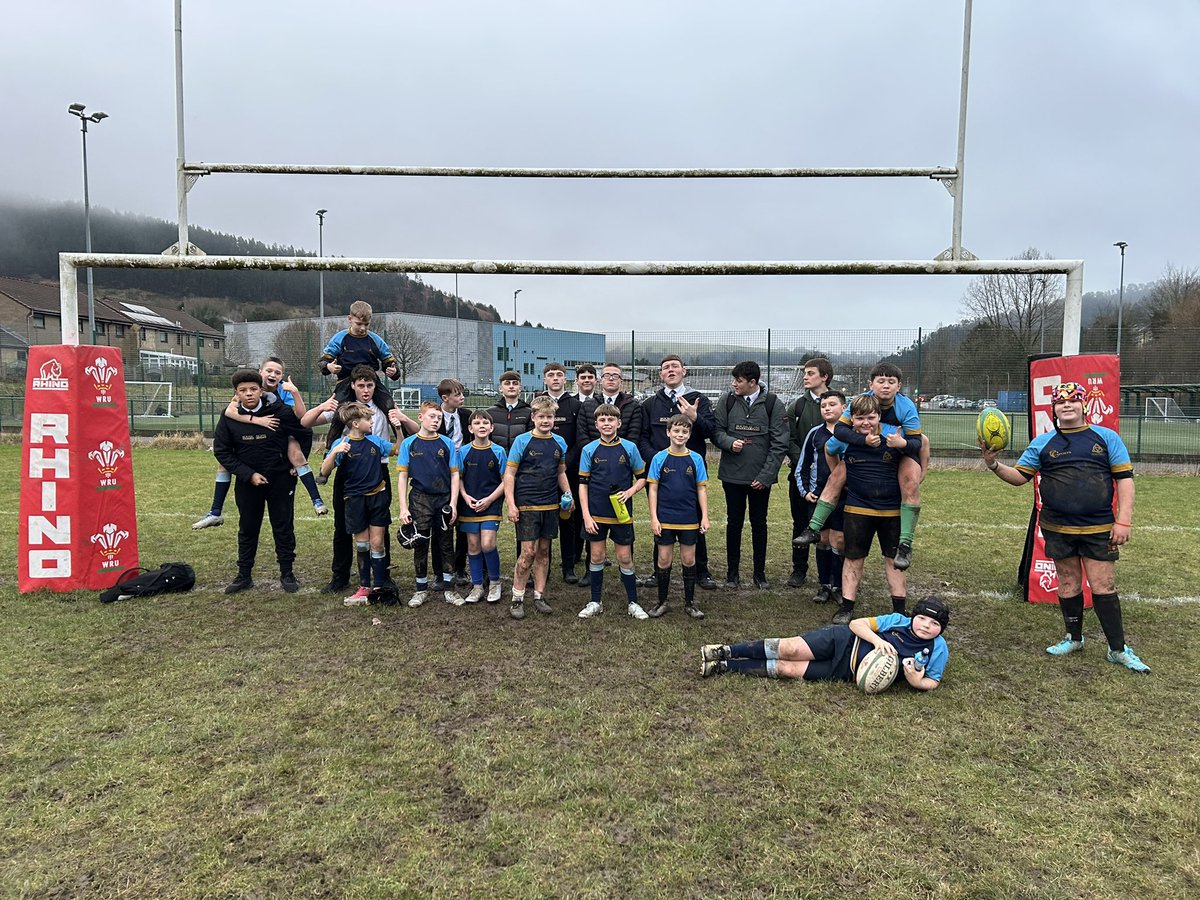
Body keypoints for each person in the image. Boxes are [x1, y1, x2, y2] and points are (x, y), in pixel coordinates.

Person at [981, 381, 1149, 673]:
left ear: (1083, 405)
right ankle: (1074, 638)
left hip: (1099, 527)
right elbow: (1020, 477)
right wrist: (994, 464)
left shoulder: (1106, 438)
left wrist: (1124, 520)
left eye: (1073, 400)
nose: (1066, 405)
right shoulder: (1042, 443)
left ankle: (1118, 649)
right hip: (1058, 527)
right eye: (1060, 402)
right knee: (1068, 583)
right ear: (1054, 409)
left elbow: (1125, 480)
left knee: (1103, 585)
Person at [800, 363, 927, 571]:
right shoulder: (861, 402)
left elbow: (917, 443)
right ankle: (813, 528)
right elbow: (839, 432)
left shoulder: (906, 406)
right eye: (881, 381)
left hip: (895, 447)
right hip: (862, 448)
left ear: (899, 386)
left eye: (891, 382)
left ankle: (905, 544)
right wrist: (863, 442)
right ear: (871, 384)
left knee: (912, 480)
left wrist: (902, 444)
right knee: (836, 477)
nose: (885, 386)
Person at [301, 365, 415, 593]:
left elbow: (411, 432)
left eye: (370, 385)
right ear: (352, 386)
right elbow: (306, 422)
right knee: (343, 526)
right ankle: (340, 576)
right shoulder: (346, 409)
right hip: (348, 472)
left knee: (379, 525)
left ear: (375, 387)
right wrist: (323, 405)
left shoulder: (384, 408)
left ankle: (383, 577)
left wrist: (401, 418)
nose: (365, 390)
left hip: (378, 471)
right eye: (361, 385)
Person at [698, 596, 950, 691]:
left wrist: (917, 681)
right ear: (913, 616)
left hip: (844, 671)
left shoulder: (938, 648)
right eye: (922, 619)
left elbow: (933, 681)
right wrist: (876, 641)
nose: (926, 626)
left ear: (941, 629)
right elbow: (856, 624)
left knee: (788, 669)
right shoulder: (897, 620)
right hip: (841, 641)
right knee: (790, 649)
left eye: (934, 624)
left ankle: (723, 666)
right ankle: (726, 650)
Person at [194, 356, 326, 528]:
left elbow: (301, 419)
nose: (273, 374)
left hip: (280, 436)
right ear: (260, 372)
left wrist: (294, 391)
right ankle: (215, 511)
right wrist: (256, 420)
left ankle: (316, 500)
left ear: (282, 376)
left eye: (277, 372)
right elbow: (229, 412)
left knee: (295, 453)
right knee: (223, 463)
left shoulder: (283, 391)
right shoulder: (249, 388)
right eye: (269, 371)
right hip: (254, 438)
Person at [212, 369, 310, 594]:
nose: (249, 394)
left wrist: (297, 462)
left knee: (283, 527)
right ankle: (244, 575)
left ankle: (287, 573)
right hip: (248, 484)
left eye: (253, 389)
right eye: (243, 390)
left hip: (281, 481)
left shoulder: (278, 411)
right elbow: (222, 451)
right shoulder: (228, 417)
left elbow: (303, 430)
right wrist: (248, 474)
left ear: (261, 390)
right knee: (247, 528)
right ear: (236, 393)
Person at [815, 393, 910, 624]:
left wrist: (919, 478)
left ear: (879, 416)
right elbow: (829, 449)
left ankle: (899, 610)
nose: (866, 423)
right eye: (860, 418)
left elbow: (921, 445)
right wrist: (841, 474)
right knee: (853, 558)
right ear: (852, 419)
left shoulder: (894, 434)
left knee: (893, 560)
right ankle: (847, 607)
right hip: (858, 509)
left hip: (891, 511)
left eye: (871, 417)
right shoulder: (847, 437)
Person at [639, 354, 718, 590]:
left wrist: (696, 418)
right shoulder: (650, 404)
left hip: (689, 475)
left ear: (684, 371)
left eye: (675, 366)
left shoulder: (699, 400)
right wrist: (658, 461)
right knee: (660, 521)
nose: (670, 370)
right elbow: (642, 438)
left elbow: (711, 431)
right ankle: (658, 570)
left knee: (694, 521)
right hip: (661, 476)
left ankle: (701, 571)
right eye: (665, 368)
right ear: (660, 374)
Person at [711, 360, 788, 590]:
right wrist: (728, 442)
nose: (734, 384)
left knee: (759, 524)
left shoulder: (773, 404)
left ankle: (759, 574)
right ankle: (732, 574)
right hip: (732, 477)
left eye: (739, 380)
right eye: (734, 380)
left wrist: (765, 477)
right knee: (734, 523)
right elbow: (716, 431)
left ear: (753, 382)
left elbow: (779, 444)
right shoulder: (727, 401)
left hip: (759, 480)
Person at [319, 402, 397, 606]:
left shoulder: (375, 442)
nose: (372, 422)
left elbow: (397, 450)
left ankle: (378, 587)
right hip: (354, 501)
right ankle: (364, 587)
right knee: (362, 545)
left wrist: (398, 428)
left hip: (377, 497)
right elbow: (324, 471)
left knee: (377, 543)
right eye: (368, 420)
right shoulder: (341, 443)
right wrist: (335, 452)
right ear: (355, 423)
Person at [576, 403, 649, 619]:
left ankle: (633, 603)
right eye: (602, 420)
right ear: (596, 425)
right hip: (596, 514)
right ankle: (595, 601)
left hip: (621, 515)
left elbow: (642, 478)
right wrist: (586, 516)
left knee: (624, 557)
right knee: (596, 556)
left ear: (619, 423)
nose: (607, 424)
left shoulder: (629, 448)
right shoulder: (589, 450)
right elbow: (583, 484)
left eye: (611, 420)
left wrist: (630, 492)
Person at [504, 395, 572, 619]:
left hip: (550, 504)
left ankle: (539, 596)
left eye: (549, 417)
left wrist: (568, 494)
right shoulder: (522, 441)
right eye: (541, 416)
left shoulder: (559, 442)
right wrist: (512, 504)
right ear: (533, 417)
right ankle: (517, 597)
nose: (545, 420)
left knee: (543, 552)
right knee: (528, 553)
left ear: (554, 419)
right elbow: (510, 474)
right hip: (526, 505)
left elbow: (560, 472)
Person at [577, 362, 644, 587]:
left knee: (624, 551)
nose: (611, 379)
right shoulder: (589, 405)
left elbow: (634, 437)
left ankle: (630, 587)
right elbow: (582, 436)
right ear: (600, 379)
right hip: (596, 489)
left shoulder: (632, 405)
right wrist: (598, 451)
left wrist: (618, 454)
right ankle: (592, 576)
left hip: (621, 476)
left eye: (616, 376)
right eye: (607, 376)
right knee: (595, 544)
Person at [396, 401, 462, 609]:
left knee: (445, 543)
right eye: (432, 416)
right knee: (420, 543)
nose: (436, 420)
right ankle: (420, 589)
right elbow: (402, 476)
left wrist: (453, 503)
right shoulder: (409, 443)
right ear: (420, 417)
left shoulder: (447, 443)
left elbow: (454, 475)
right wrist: (403, 507)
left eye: (439, 418)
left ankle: (449, 589)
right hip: (419, 499)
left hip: (443, 499)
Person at [646, 414, 711, 619]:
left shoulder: (696, 458)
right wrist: (654, 518)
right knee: (664, 559)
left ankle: (690, 603)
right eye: (676, 430)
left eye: (684, 431)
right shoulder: (659, 458)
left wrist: (705, 517)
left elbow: (701, 490)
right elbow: (653, 489)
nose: (680, 435)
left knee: (689, 559)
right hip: (665, 517)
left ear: (689, 434)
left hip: (688, 518)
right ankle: (662, 601)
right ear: (668, 432)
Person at [784, 357, 833, 587]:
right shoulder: (797, 406)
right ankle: (799, 570)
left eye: (810, 373)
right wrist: (801, 461)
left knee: (831, 527)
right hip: (801, 476)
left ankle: (831, 574)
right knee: (800, 523)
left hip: (832, 478)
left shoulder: (839, 404)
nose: (805, 377)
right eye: (804, 373)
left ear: (824, 377)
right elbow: (789, 438)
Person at [796, 390, 848, 605]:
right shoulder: (815, 433)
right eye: (823, 405)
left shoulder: (851, 433)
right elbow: (802, 466)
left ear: (844, 408)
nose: (827, 408)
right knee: (823, 541)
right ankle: (824, 585)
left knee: (839, 540)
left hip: (845, 498)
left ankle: (839, 586)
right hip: (819, 497)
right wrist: (805, 491)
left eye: (832, 404)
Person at [535, 362, 584, 584]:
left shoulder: (575, 404)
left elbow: (579, 439)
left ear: (566, 379)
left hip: (567, 473)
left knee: (568, 519)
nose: (555, 378)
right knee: (543, 521)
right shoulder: (535, 403)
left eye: (559, 375)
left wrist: (563, 462)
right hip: (542, 476)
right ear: (544, 379)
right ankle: (544, 565)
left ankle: (569, 566)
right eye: (551, 375)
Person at [457, 409, 507, 604]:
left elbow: (505, 481)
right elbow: (458, 478)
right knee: (474, 545)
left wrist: (489, 499)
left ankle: (494, 583)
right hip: (469, 505)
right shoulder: (464, 451)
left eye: (485, 423)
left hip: (491, 505)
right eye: (477, 423)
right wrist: (465, 496)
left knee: (488, 544)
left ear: (492, 427)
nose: (482, 426)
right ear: (470, 428)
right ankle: (477, 586)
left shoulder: (499, 451)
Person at [317, 300, 399, 410]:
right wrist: (328, 367)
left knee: (391, 407)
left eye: (366, 324)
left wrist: (393, 371)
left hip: (371, 380)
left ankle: (399, 427)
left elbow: (389, 362)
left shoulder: (376, 340)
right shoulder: (339, 338)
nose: (363, 328)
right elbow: (323, 361)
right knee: (338, 412)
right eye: (359, 324)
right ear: (350, 319)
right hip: (346, 381)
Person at [436, 377, 473, 587]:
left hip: (462, 476)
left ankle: (459, 568)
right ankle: (440, 571)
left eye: (462, 393)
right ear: (445, 398)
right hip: (440, 477)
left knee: (462, 526)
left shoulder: (466, 416)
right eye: (457, 394)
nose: (461, 398)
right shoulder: (435, 417)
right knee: (441, 525)